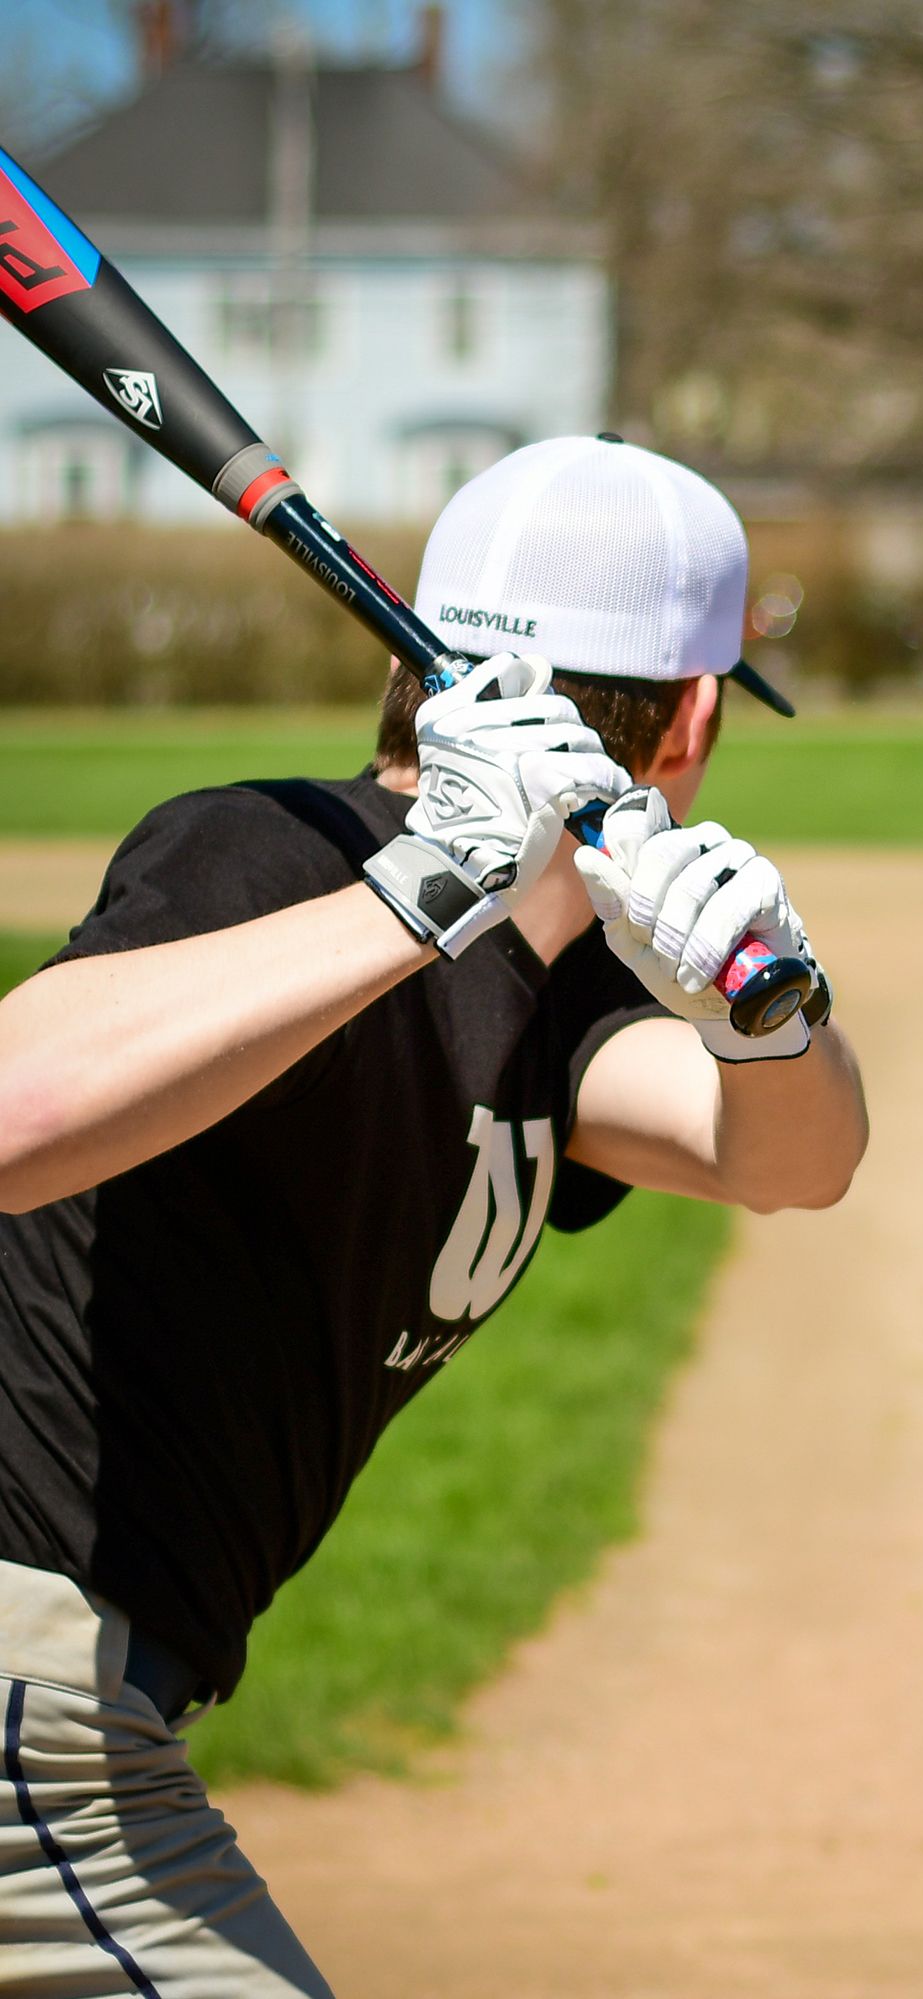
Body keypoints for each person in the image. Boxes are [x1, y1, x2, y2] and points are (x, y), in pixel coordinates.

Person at [0, 435, 869, 1996]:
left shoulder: (562, 1004)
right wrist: (421, 887)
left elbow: (788, 1161)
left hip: (87, 1695)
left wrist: (775, 1022)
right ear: (696, 717)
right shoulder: (270, 854)